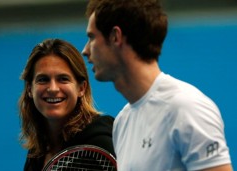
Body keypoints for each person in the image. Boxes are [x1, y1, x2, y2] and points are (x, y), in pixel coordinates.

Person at [82, 0, 233, 170]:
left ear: (115, 37)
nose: (85, 50)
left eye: (92, 37)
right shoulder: (122, 122)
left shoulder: (187, 108)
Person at [18, 38, 115, 171]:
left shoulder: (100, 142)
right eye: (43, 79)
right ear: (29, 89)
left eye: (63, 79)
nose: (53, 88)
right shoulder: (37, 152)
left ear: (81, 88)